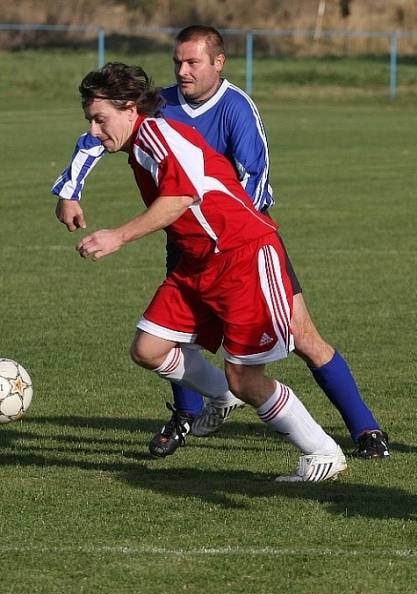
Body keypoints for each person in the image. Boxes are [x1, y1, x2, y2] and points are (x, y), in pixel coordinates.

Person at [52, 25, 389, 460]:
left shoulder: (235, 109)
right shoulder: (160, 106)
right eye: (177, 62)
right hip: (190, 241)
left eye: (192, 62)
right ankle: (195, 411)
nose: (183, 71)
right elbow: (96, 138)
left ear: (218, 62)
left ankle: (362, 430)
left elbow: (248, 180)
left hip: (241, 242)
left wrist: (216, 226)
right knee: (163, 340)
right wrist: (69, 190)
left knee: (298, 339)